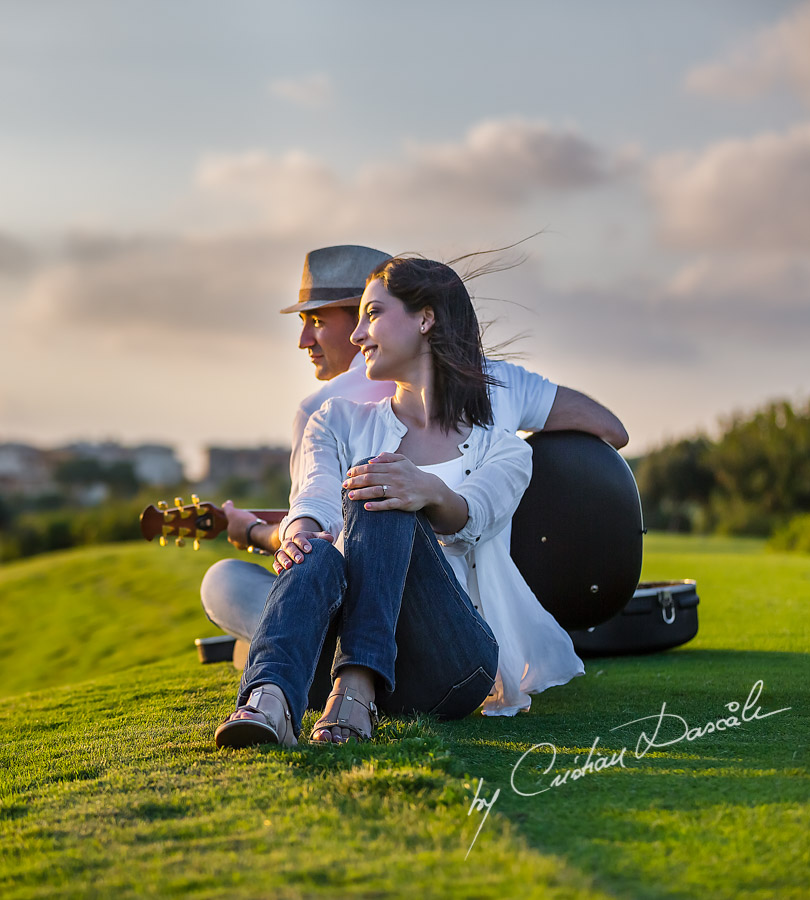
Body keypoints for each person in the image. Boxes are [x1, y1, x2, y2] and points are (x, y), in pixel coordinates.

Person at [201, 245, 627, 683]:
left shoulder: (325, 407)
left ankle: (294, 648)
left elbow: (486, 492)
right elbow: (316, 515)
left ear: (422, 318)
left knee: (379, 496)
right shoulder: (346, 415)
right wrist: (296, 533)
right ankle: (288, 681)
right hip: (350, 586)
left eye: (318, 320)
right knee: (228, 578)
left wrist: (506, 478)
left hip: (445, 624)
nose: (308, 340)